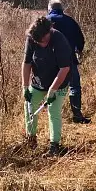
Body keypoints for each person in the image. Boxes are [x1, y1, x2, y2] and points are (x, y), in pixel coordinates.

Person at [22, 15, 73, 155]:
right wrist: (25, 87)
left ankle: (54, 145)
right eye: (38, 42)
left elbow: (65, 68)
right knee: (30, 108)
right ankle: (31, 138)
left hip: (59, 82)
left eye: (44, 41)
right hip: (38, 81)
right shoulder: (32, 38)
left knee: (53, 111)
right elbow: (26, 63)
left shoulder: (59, 39)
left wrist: (52, 90)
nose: (41, 44)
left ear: (49, 31)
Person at [46, 0, 90, 124]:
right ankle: (77, 115)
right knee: (74, 86)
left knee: (50, 86)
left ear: (49, 9)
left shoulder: (45, 21)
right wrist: (79, 50)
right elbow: (80, 39)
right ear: (62, 9)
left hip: (49, 61)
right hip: (69, 59)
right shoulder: (70, 21)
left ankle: (53, 114)